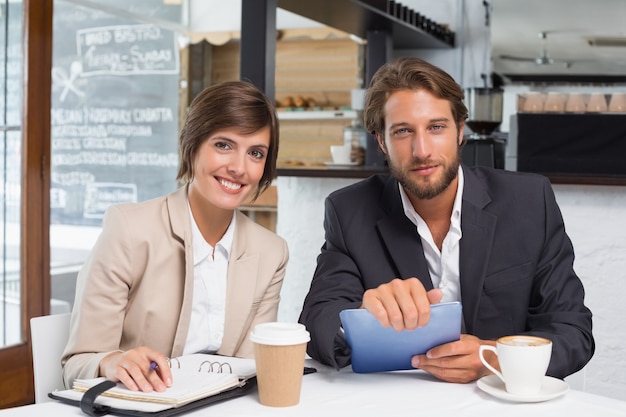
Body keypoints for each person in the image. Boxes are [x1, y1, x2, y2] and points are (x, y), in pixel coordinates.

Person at [299, 57, 594, 383]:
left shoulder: (528, 201)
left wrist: (493, 357)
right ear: (381, 141)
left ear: (460, 131)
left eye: (436, 127)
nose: (422, 149)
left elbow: (572, 331)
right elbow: (317, 321)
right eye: (402, 131)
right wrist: (358, 316)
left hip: (502, 402)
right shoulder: (349, 210)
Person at [62, 80, 288, 393]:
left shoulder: (270, 252)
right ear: (192, 145)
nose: (239, 167)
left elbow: (250, 368)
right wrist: (112, 361)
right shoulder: (129, 229)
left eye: (256, 153)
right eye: (223, 145)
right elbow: (76, 364)